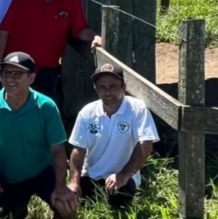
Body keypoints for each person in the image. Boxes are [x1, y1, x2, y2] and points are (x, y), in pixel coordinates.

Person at [0, 52, 76, 219]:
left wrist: (61, 186)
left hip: (42, 172)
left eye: (17, 74)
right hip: (7, 177)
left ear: (31, 78)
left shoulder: (46, 106)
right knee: (6, 214)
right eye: (6, 73)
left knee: (66, 207)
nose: (10, 79)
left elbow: (58, 150)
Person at [0, 0, 102, 101]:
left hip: (46, 70)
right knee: (12, 107)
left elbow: (80, 29)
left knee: (42, 111)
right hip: (15, 67)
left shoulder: (70, 0)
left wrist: (96, 37)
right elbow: (4, 31)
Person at [68, 63, 160, 209]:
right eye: (102, 87)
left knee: (119, 204)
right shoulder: (87, 112)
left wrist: (123, 176)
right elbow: (78, 149)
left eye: (113, 86)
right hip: (92, 174)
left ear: (124, 88)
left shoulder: (137, 108)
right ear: (95, 89)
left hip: (123, 176)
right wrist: (74, 181)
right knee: (70, 203)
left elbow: (146, 145)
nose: (108, 92)